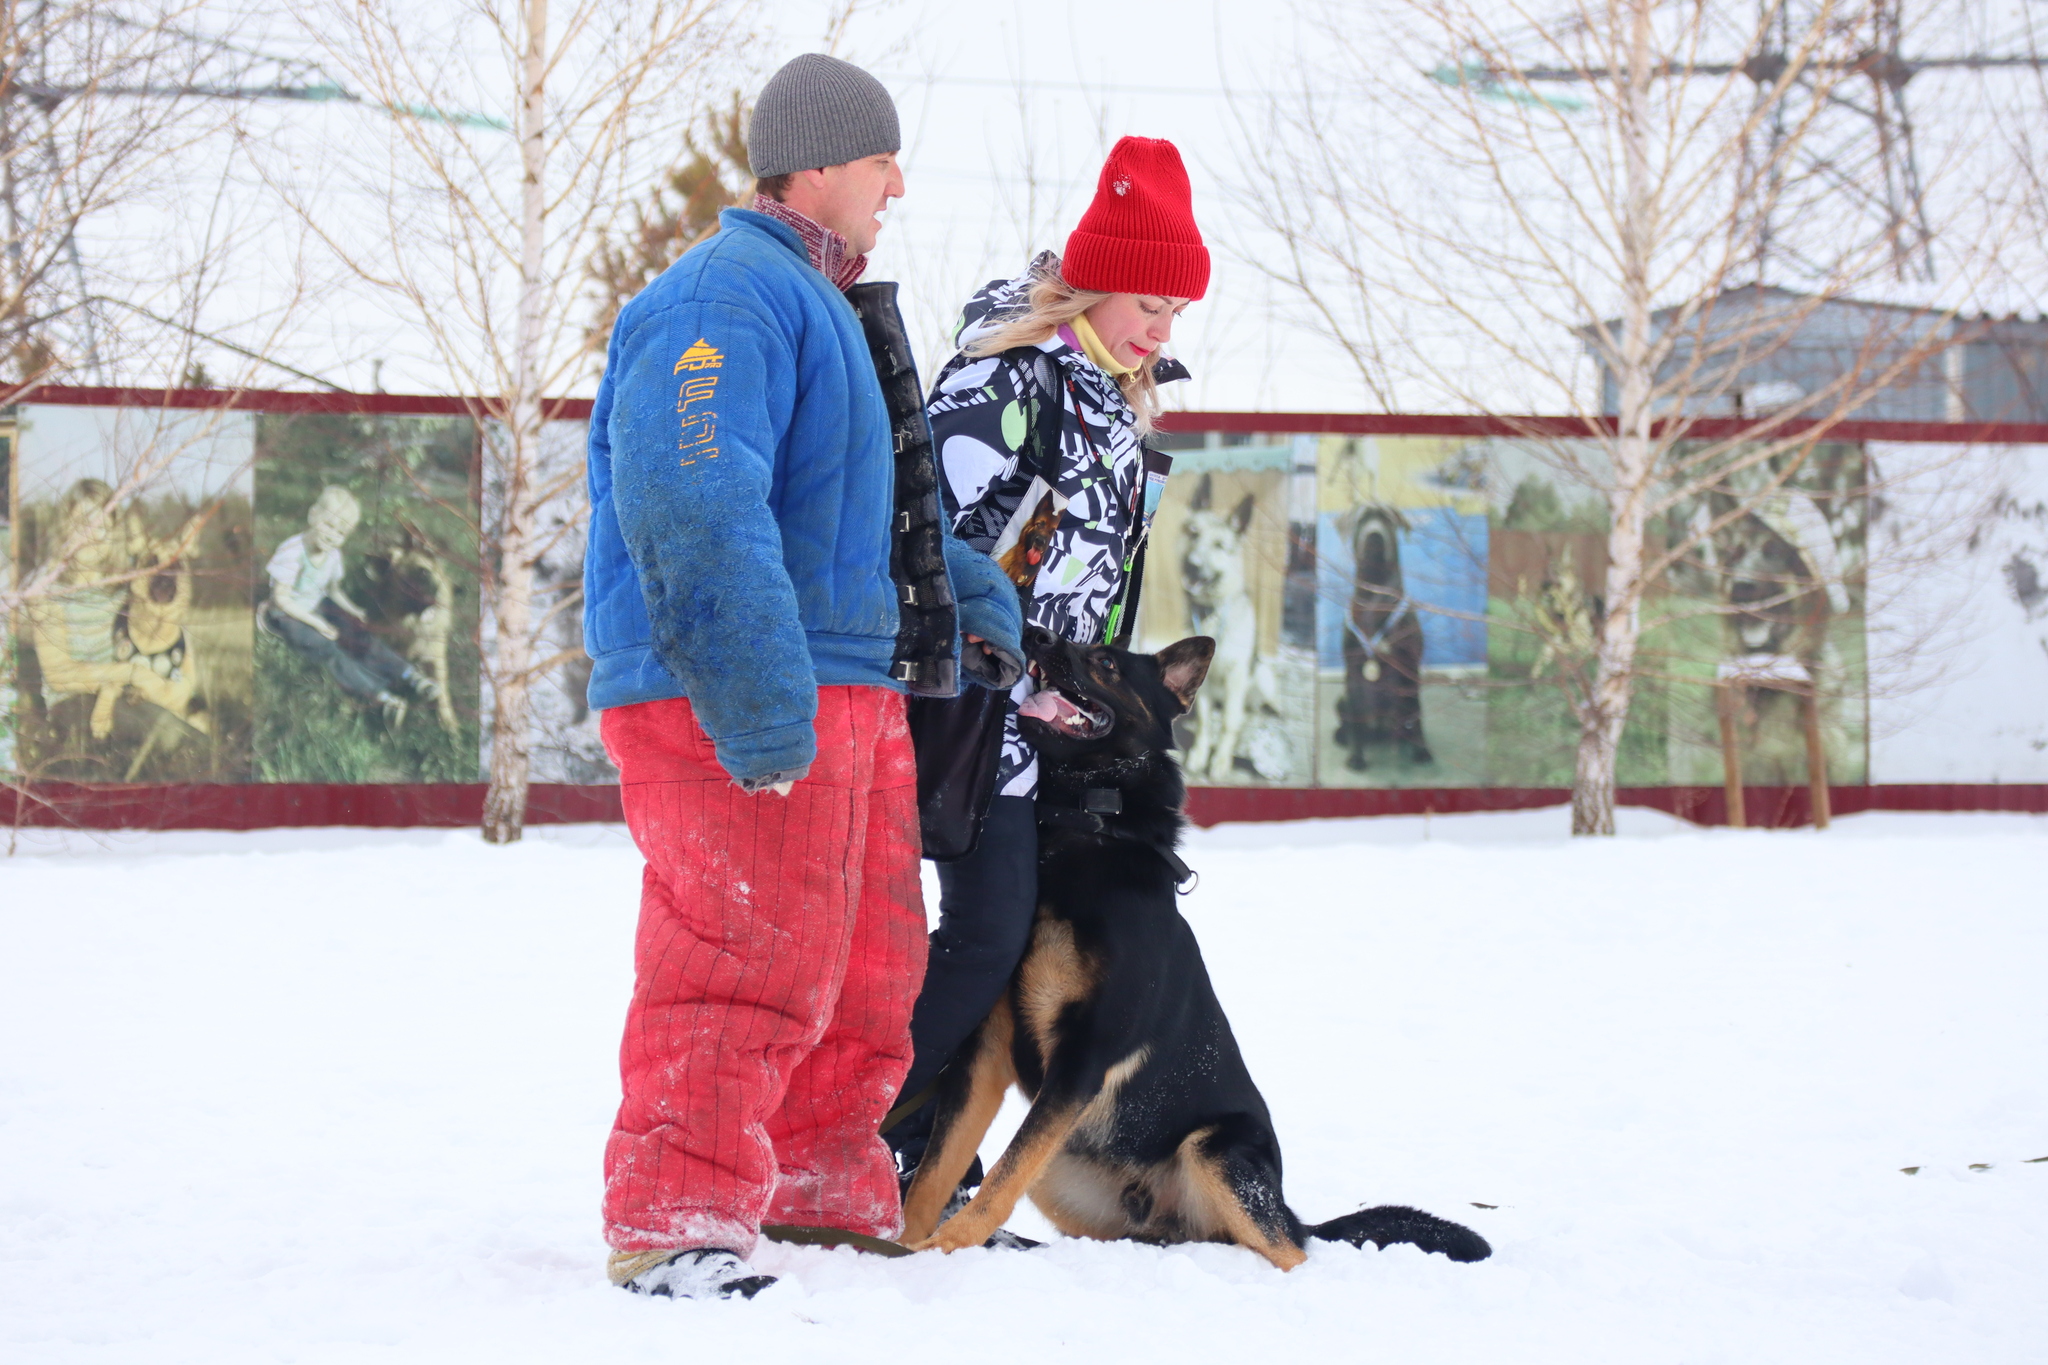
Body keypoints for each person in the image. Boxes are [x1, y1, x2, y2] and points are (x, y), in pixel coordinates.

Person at [583, 54, 1024, 1301]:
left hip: (845, 676)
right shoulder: (722, 296)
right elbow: (691, 491)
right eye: (884, 160)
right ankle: (676, 1211)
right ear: (821, 163)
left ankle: (817, 1186)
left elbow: (872, 508)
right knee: (740, 942)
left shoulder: (823, 301)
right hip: (733, 681)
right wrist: (750, 688)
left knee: (865, 953)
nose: (900, 183)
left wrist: (970, 595)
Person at [886, 136, 1207, 1194]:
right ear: (1089, 285)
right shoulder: (1007, 378)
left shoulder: (1114, 392)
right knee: (984, 936)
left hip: (1051, 724)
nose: (1159, 334)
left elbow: (1090, 576)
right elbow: (937, 544)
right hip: (978, 707)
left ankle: (927, 1151)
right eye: (1146, 308)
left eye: (1172, 316)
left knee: (1009, 940)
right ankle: (858, 1134)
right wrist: (1015, 679)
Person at [260, 485, 437, 730]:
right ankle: (379, 697)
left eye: (341, 533)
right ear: (313, 515)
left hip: (316, 605)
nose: (333, 536)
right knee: (326, 647)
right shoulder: (292, 551)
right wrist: (317, 623)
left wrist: (352, 610)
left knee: (357, 633)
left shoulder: (333, 555)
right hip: (286, 614)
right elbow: (281, 599)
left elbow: (332, 590)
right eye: (329, 525)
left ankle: (407, 675)